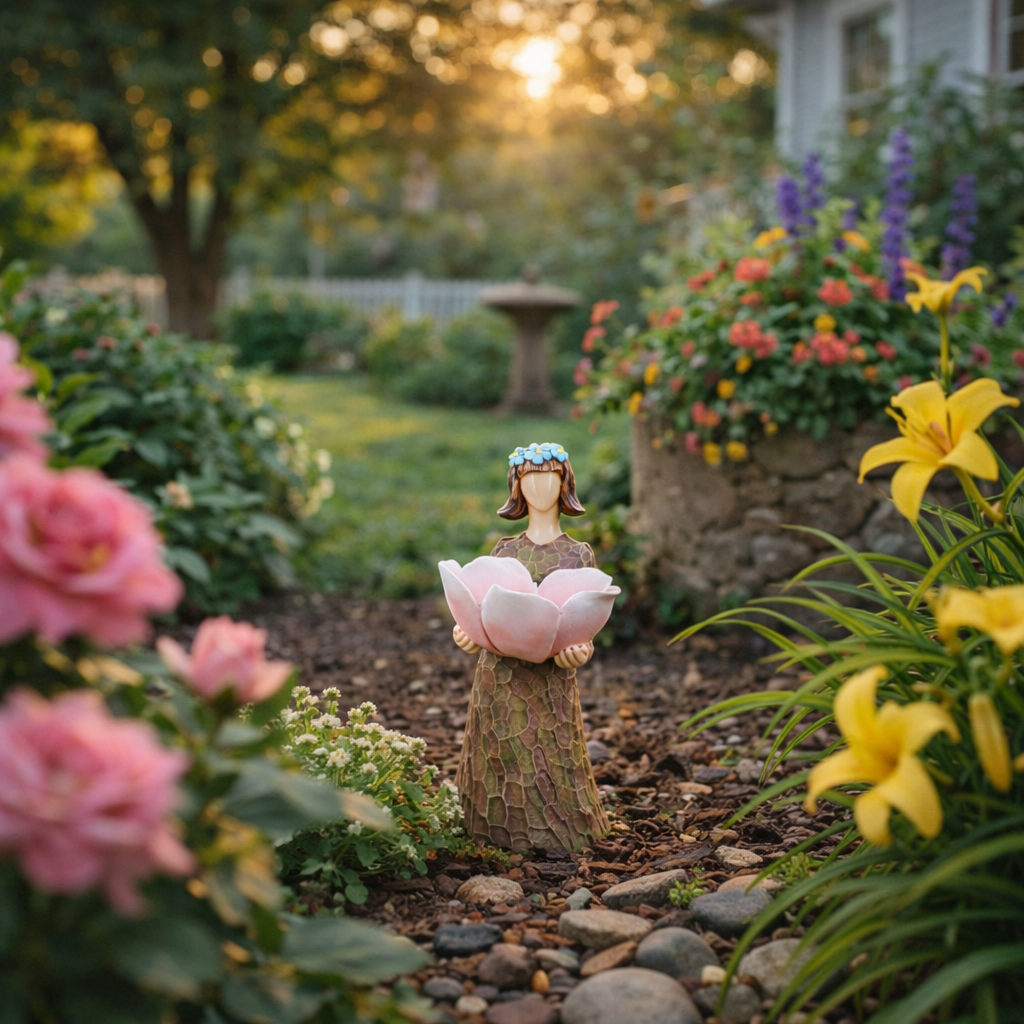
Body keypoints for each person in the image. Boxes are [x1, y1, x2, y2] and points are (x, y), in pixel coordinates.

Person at [453, 442, 610, 851]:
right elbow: (485, 603)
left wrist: (581, 650)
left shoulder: (577, 554)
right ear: (516, 487)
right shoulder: (506, 550)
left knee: (551, 754)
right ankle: (485, 828)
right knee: (500, 748)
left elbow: (585, 613)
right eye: (530, 478)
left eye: (550, 476)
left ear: (565, 484)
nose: (540, 486)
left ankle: (560, 831)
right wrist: (468, 633)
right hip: (499, 676)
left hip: (552, 679)